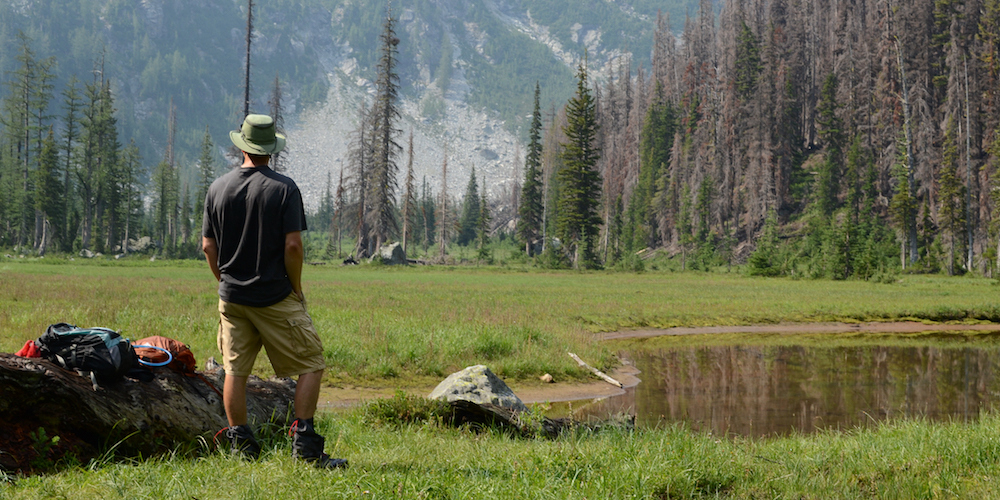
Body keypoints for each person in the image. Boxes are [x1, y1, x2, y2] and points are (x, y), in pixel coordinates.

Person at [202, 114, 347, 469]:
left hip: (232, 297)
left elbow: (208, 246)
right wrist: (296, 287)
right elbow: (293, 247)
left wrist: (224, 280)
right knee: (311, 362)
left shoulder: (218, 188)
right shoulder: (284, 189)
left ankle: (242, 447)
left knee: (235, 371)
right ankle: (306, 448)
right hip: (274, 295)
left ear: (242, 146)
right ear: (271, 150)